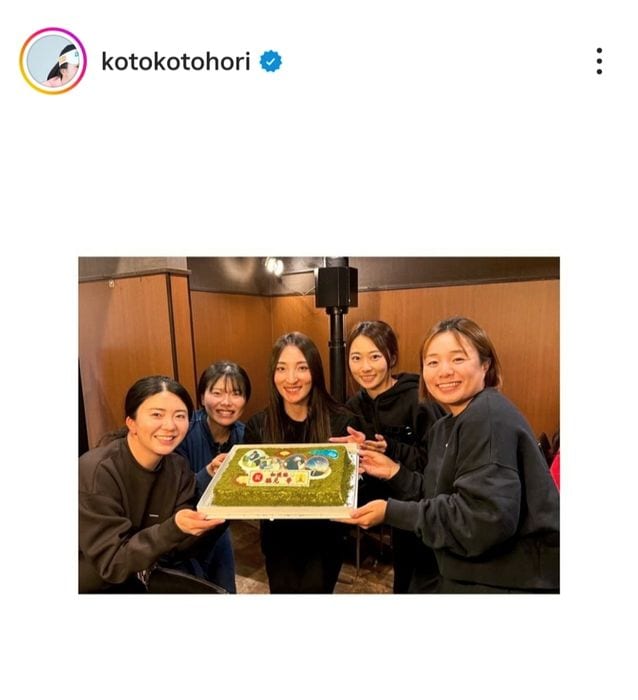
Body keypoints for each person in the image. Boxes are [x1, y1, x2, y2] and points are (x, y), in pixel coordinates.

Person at [342, 317, 560, 593]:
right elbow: (436, 493)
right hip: (464, 567)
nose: (444, 371)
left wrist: (391, 511)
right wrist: (393, 471)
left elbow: (482, 520)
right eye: (433, 362)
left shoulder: (487, 417)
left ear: (485, 364)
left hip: (508, 578)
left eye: (457, 359)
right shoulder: (447, 425)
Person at [78, 375, 226, 593]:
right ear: (131, 422)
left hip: (148, 575)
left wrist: (226, 507)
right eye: (157, 414)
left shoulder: (177, 467)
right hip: (96, 585)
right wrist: (172, 528)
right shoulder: (96, 471)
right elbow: (112, 564)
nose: (170, 425)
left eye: (180, 416)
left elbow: (177, 550)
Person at [331, 320, 444, 593]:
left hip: (422, 509)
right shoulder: (353, 406)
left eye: (374, 356)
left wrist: (390, 449)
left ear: (391, 357)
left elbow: (436, 463)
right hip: (384, 510)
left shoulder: (419, 399)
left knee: (421, 583)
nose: (365, 367)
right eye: (356, 358)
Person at [244, 332, 352, 593]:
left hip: (326, 539)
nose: (291, 379)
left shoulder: (341, 422)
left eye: (302, 368)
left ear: (315, 372)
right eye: (282, 369)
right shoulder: (258, 425)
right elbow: (251, 486)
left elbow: (353, 490)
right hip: (277, 538)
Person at [176, 361, 252, 593]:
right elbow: (176, 491)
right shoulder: (183, 432)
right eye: (217, 393)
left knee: (224, 590)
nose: (226, 402)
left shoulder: (246, 436)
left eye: (236, 394)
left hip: (218, 530)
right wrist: (208, 472)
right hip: (180, 532)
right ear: (202, 397)